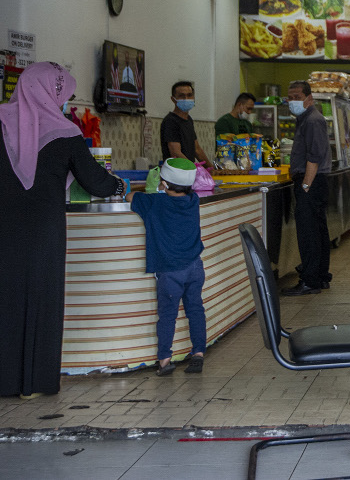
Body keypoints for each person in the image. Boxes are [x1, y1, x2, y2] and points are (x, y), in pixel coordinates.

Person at [0, 62, 125, 397]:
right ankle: (37, 382)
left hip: (4, 229)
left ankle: (6, 381)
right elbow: (96, 182)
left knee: (5, 298)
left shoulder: (1, 121)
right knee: (43, 297)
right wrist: (118, 187)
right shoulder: (65, 131)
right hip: (44, 229)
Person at [126, 158, 207, 377]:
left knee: (168, 315)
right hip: (195, 266)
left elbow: (130, 196)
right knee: (195, 309)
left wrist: (154, 191)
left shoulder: (154, 203)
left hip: (170, 271)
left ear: (164, 183)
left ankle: (164, 360)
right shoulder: (194, 201)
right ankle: (198, 353)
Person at [282, 80, 333, 296]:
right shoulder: (305, 119)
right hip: (314, 182)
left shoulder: (312, 120)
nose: (292, 101)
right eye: (289, 97)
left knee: (309, 233)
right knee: (318, 230)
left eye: (296, 97)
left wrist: (305, 186)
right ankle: (320, 277)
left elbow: (315, 157)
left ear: (309, 98)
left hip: (311, 181)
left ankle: (310, 280)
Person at [160, 81, 210, 165]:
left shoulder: (188, 119)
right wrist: (193, 169)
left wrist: (211, 168)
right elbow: (176, 153)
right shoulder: (171, 121)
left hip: (188, 173)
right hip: (176, 173)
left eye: (189, 95)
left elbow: (196, 149)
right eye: (181, 96)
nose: (186, 99)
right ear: (173, 99)